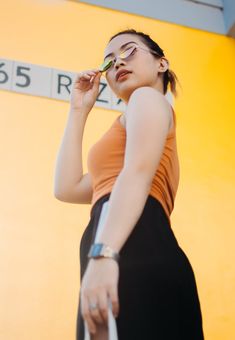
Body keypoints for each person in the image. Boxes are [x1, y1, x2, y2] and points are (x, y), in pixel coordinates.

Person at [54, 29, 204, 340]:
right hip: (120, 242)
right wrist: (78, 109)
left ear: (161, 64)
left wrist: (104, 255)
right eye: (108, 62)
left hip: (129, 245)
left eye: (130, 51)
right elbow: (66, 188)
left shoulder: (146, 98)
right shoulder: (129, 125)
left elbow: (136, 173)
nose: (118, 61)